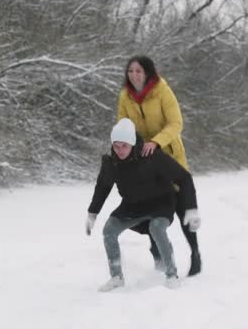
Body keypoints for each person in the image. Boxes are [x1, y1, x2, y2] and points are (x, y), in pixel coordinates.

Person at [86, 118, 201, 292]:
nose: (120, 150)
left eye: (124, 146)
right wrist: (92, 213)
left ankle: (171, 275)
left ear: (132, 143)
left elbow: (184, 178)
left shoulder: (151, 156)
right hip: (132, 205)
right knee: (109, 230)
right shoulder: (111, 163)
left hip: (160, 202)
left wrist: (191, 208)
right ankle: (116, 277)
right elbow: (103, 187)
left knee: (156, 228)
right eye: (116, 146)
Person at [116, 55, 202, 276]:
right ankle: (158, 256)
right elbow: (123, 126)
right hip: (144, 161)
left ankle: (195, 252)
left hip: (170, 156)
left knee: (182, 208)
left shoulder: (162, 91)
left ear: (148, 73)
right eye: (130, 71)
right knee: (151, 209)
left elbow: (176, 123)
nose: (134, 75)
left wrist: (157, 142)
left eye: (139, 71)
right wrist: (130, 148)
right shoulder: (125, 96)